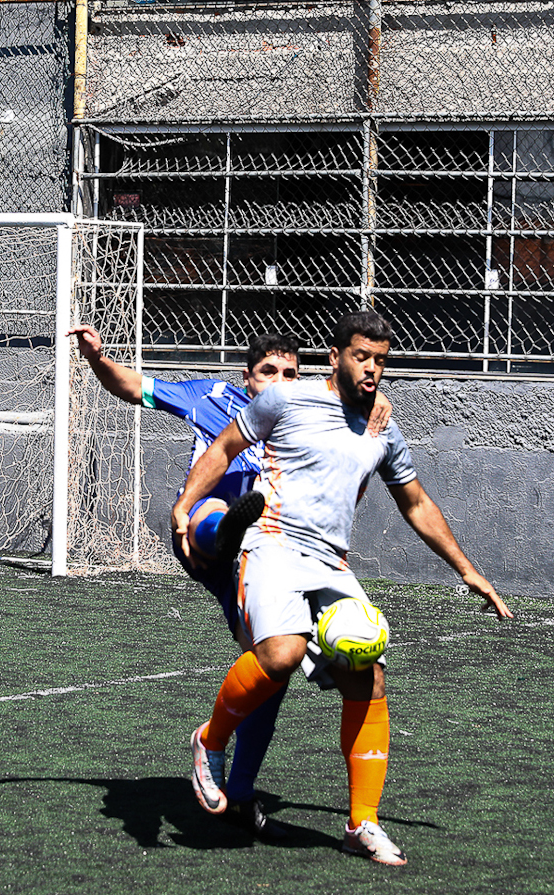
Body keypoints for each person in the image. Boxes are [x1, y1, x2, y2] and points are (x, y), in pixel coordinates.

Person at [172, 309, 512, 865]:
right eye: (362, 356)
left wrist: (467, 570)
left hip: (330, 564)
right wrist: (186, 507)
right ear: (335, 358)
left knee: (369, 677)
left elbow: (417, 503)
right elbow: (225, 448)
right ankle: (209, 743)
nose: (373, 369)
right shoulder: (286, 400)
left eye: (381, 359)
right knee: (280, 655)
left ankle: (363, 823)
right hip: (272, 543)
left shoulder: (384, 430)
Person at [70, 324, 325, 838]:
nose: (279, 381)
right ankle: (226, 526)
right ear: (246, 378)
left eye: (290, 373)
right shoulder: (211, 396)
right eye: (267, 372)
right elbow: (130, 386)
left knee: (273, 665)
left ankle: (242, 792)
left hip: (265, 559)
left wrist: (379, 401)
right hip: (198, 536)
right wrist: (97, 358)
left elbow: (358, 399)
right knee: (216, 510)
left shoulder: (307, 416)